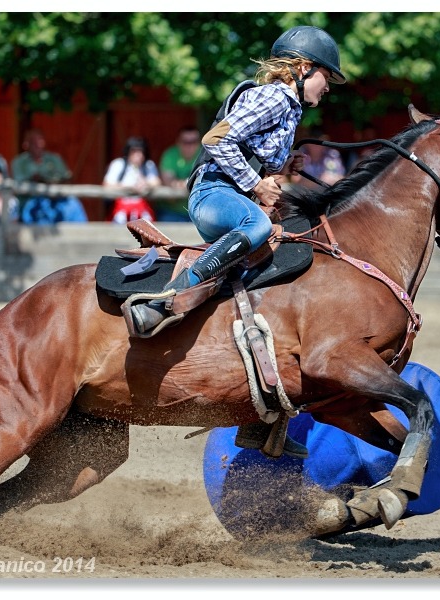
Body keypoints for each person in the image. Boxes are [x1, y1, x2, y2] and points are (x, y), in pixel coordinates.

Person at [125, 25, 346, 457]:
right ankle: (166, 300)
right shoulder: (271, 96)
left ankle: (257, 418)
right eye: (326, 77)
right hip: (213, 194)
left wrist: (286, 163)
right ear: (303, 69)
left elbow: (251, 152)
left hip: (232, 195)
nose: (328, 88)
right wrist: (257, 184)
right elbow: (216, 140)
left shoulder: (290, 106)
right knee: (259, 228)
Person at [12, 128, 88, 224]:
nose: (38, 144)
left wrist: (54, 182)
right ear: (26, 144)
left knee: (72, 205)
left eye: (40, 141)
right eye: (33, 142)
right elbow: (19, 185)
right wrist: (38, 181)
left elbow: (66, 178)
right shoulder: (19, 162)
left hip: (58, 199)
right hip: (31, 200)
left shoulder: (55, 159)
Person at [102, 136, 160, 224]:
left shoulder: (148, 165)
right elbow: (107, 185)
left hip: (142, 208)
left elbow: (156, 182)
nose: (138, 155)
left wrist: (145, 183)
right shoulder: (119, 164)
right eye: (134, 151)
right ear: (128, 151)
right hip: (121, 207)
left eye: (141, 151)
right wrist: (129, 187)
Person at [157, 126, 201, 222]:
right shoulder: (170, 155)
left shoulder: (203, 155)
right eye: (185, 142)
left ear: (198, 143)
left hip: (198, 211)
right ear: (178, 142)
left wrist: (183, 184)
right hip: (171, 211)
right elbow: (168, 181)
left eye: (193, 141)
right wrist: (190, 184)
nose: (189, 145)